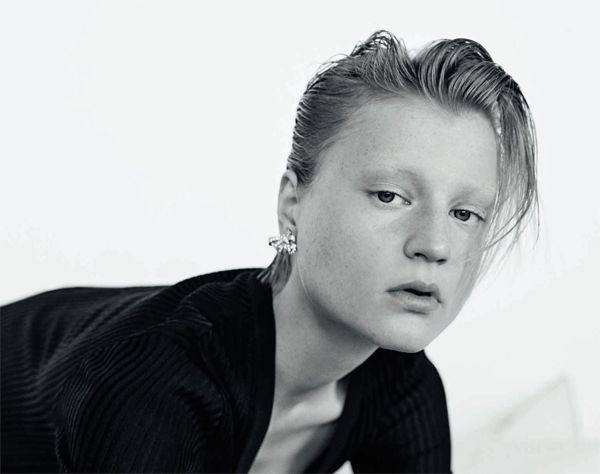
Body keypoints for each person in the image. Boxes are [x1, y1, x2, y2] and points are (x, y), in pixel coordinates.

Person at [1, 30, 538, 473]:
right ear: (292, 204)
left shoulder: (399, 383)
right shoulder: (158, 384)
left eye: (465, 213)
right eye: (389, 195)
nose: (436, 245)